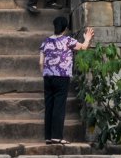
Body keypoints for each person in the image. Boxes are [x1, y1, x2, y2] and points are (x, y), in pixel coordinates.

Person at [39, 14, 95, 145]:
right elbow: (83, 47)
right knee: (59, 106)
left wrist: (46, 73)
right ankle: (57, 137)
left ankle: (48, 136)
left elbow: (40, 63)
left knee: (49, 106)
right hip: (62, 77)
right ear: (65, 28)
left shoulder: (45, 42)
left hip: (48, 77)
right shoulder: (68, 40)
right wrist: (87, 38)